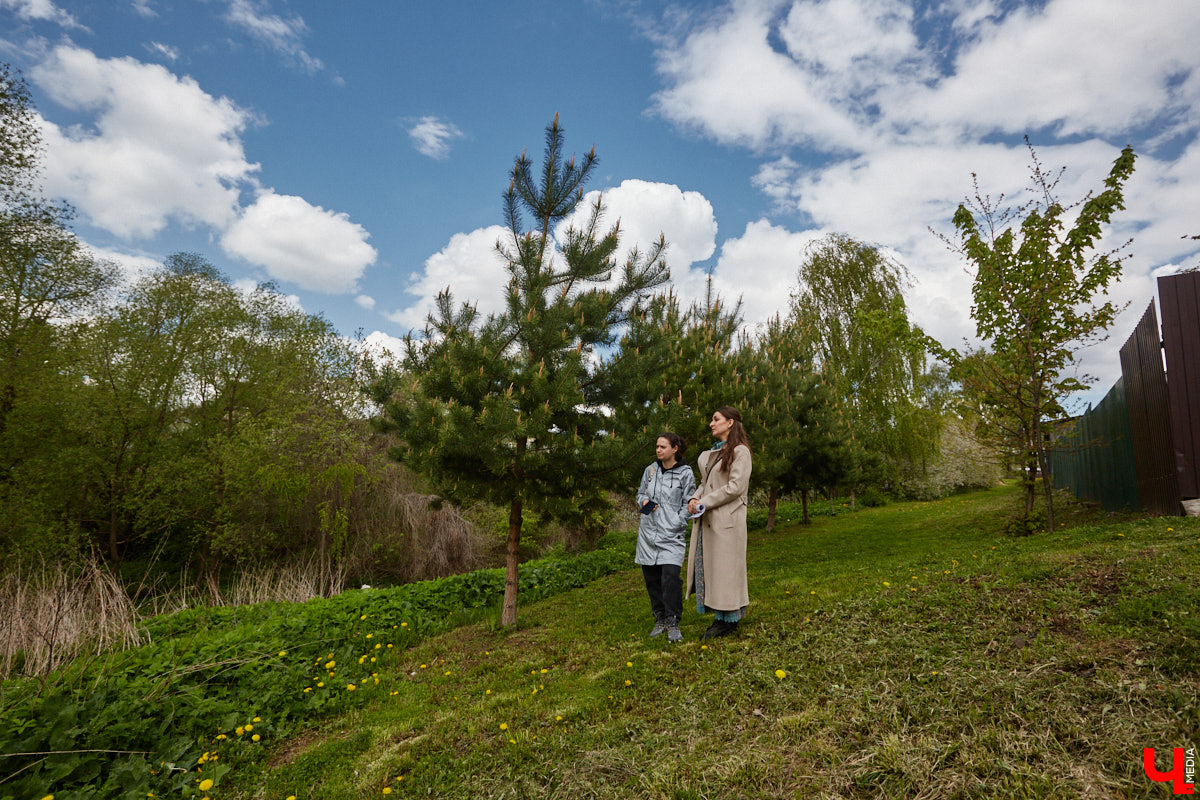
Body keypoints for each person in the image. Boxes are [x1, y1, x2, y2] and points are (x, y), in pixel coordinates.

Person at [686, 406, 752, 640]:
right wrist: (695, 497)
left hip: (728, 520)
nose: (711, 424)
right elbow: (705, 482)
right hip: (711, 519)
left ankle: (728, 620)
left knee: (727, 571)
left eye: (716, 419)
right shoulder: (711, 453)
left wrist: (705, 501)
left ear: (730, 423)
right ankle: (720, 618)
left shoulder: (741, 452)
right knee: (715, 570)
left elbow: (736, 487)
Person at [635, 432, 696, 643]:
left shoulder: (686, 474)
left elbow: (689, 502)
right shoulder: (650, 470)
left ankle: (673, 621)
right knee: (652, 580)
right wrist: (643, 502)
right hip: (648, 535)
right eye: (657, 446)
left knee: (670, 578)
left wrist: (677, 523)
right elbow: (640, 494)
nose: (658, 450)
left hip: (671, 535)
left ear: (675, 449)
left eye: (663, 447)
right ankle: (659, 618)